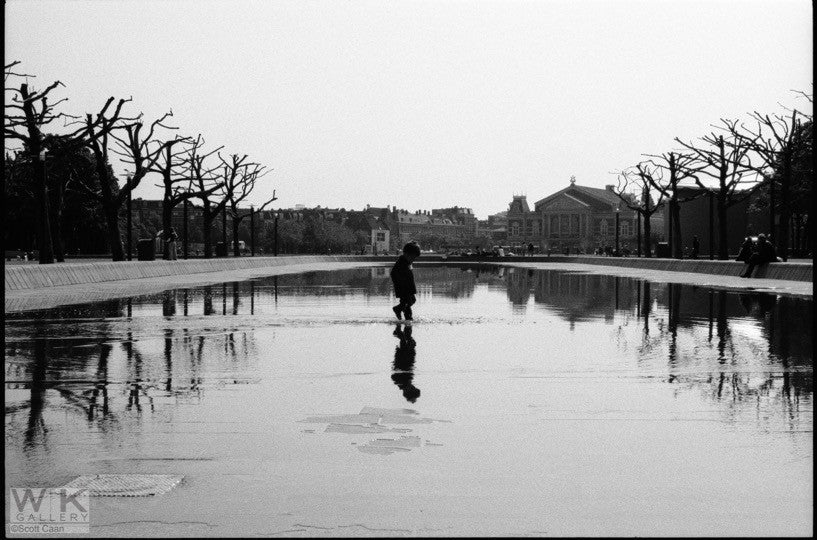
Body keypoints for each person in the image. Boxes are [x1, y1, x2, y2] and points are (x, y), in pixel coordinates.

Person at [391, 241, 421, 320]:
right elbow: (393, 274)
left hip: (408, 286)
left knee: (411, 300)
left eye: (414, 258)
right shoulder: (401, 263)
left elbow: (409, 275)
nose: (413, 260)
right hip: (403, 287)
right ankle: (408, 317)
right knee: (407, 302)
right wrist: (401, 285)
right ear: (406, 254)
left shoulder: (407, 262)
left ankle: (399, 310)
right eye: (412, 258)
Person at [391, 324, 420, 403]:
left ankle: (400, 326)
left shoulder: (401, 382)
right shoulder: (403, 383)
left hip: (403, 360)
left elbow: (394, 375)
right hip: (407, 360)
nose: (414, 387)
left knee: (405, 341)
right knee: (409, 341)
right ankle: (404, 326)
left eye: (413, 388)